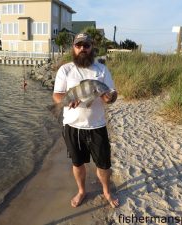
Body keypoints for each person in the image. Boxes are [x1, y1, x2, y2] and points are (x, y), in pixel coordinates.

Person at [52, 33, 119, 208]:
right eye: (78, 45)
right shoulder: (65, 69)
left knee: (104, 165)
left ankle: (106, 191)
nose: (82, 48)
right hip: (72, 127)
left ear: (91, 48)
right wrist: (65, 102)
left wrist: (110, 97)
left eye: (86, 45)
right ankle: (82, 191)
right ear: (73, 48)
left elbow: (109, 96)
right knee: (78, 163)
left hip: (97, 126)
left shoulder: (101, 70)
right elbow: (57, 94)